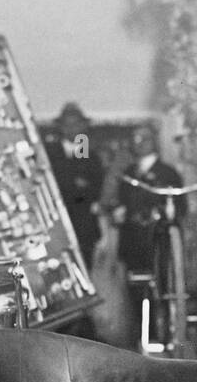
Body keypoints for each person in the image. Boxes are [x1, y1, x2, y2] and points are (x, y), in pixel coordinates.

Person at [113, 124, 187, 275]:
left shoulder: (168, 173)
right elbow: (121, 203)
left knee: (161, 282)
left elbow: (180, 207)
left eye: (144, 139)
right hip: (132, 242)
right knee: (134, 288)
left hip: (159, 242)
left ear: (154, 141)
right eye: (135, 139)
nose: (138, 143)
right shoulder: (128, 172)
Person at [42, 102, 105, 268]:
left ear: (83, 126)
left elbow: (93, 190)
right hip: (56, 225)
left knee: (84, 268)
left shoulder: (90, 156)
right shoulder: (49, 153)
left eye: (76, 124)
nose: (72, 129)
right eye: (67, 125)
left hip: (83, 227)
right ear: (60, 127)